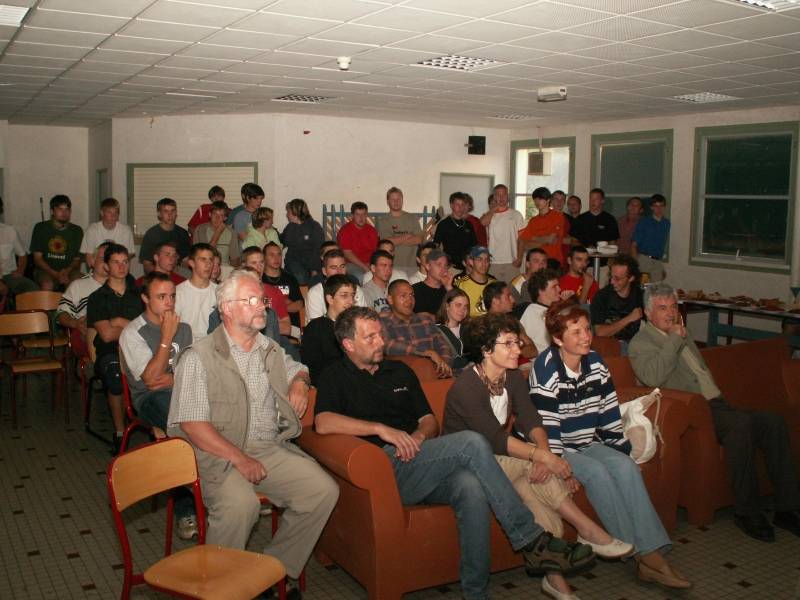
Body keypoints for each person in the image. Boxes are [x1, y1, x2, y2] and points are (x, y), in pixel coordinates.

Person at [315, 306, 596, 600]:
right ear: (348, 344)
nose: (381, 341)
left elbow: (429, 420)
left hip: (421, 459)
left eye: (380, 334)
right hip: (385, 467)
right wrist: (380, 430)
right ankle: (531, 539)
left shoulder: (399, 370)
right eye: (370, 337)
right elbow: (322, 422)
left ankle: (476, 593)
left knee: (470, 487)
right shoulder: (335, 375)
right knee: (472, 442)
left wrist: (418, 437)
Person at [167, 269, 339, 597]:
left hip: (266, 447)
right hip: (216, 452)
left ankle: (271, 573)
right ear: (227, 309)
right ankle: (220, 589)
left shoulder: (269, 348)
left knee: (322, 491)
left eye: (262, 300)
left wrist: (300, 383)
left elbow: (300, 368)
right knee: (240, 506)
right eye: (251, 300)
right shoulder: (199, 356)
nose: (262, 305)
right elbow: (193, 425)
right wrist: (239, 458)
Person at [446, 313, 633, 600]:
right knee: (533, 470)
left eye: (517, 342)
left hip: (502, 462)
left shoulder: (511, 377)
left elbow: (531, 418)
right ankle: (587, 529)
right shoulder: (466, 387)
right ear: (486, 350)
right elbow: (494, 439)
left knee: (539, 499)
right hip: (467, 466)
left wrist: (543, 454)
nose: (518, 350)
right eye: (509, 344)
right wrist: (545, 459)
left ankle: (557, 584)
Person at [530, 300, 690, 590]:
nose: (586, 336)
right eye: (576, 332)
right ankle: (646, 558)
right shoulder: (545, 369)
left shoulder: (595, 362)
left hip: (587, 441)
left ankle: (650, 552)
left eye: (586, 329)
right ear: (557, 339)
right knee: (598, 473)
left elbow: (608, 413)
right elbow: (546, 426)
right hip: (558, 448)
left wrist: (622, 452)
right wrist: (560, 467)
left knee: (625, 467)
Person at [628, 283, 800, 543]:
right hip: (693, 409)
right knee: (740, 426)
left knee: (772, 421)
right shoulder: (641, 342)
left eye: (673, 307)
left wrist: (679, 337)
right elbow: (653, 377)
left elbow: (700, 372)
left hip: (718, 403)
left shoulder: (682, 334)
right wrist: (674, 339)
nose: (670, 313)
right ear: (648, 313)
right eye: (662, 308)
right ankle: (747, 512)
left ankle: (787, 507)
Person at [119, 271, 197, 540]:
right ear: (145, 299)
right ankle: (187, 509)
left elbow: (193, 372)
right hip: (150, 400)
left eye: (172, 296)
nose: (169, 302)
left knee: (216, 413)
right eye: (161, 297)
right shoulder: (133, 332)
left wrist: (175, 378)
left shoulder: (184, 328)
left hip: (182, 392)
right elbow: (151, 380)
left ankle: (217, 485)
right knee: (184, 433)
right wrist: (166, 337)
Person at [86, 243, 143, 452]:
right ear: (106, 266)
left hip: (139, 348)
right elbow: (107, 335)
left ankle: (156, 425)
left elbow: (147, 329)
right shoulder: (97, 298)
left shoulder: (139, 294)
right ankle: (120, 432)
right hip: (109, 351)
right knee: (115, 374)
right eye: (116, 262)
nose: (121, 267)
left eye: (125, 262)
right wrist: (133, 326)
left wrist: (119, 321)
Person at [380, 280, 453, 377]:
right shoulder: (383, 322)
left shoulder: (425, 320)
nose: (409, 300)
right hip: (404, 377)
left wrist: (443, 365)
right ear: (390, 299)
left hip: (435, 374)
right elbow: (387, 345)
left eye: (411, 295)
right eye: (403, 296)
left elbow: (444, 346)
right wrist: (426, 352)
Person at [301, 274, 355, 386]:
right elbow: (313, 368)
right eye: (344, 296)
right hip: (332, 385)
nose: (351, 301)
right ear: (330, 299)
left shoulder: (356, 325)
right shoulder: (316, 327)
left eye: (352, 296)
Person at [57, 242, 110, 349]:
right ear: (92, 261)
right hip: (87, 333)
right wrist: (75, 323)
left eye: (111, 260)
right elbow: (62, 314)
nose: (107, 263)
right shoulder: (78, 285)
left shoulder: (124, 285)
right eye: (102, 259)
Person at [590, 254, 643, 352]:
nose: (612, 282)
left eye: (617, 278)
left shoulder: (639, 295)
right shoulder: (602, 297)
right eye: (611, 277)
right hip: (608, 345)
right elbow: (600, 332)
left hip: (634, 345)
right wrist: (629, 318)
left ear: (631, 278)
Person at [30, 194, 84, 290]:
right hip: (45, 271)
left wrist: (66, 271)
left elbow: (77, 260)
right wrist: (55, 274)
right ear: (52, 211)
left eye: (67, 209)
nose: (64, 212)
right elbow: (37, 259)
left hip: (69, 271)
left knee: (78, 283)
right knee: (47, 284)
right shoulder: (40, 228)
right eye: (60, 209)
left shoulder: (77, 230)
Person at [304, 249, 367, 324]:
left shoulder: (356, 289)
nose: (339, 271)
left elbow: (362, 320)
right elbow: (317, 326)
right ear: (324, 271)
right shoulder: (315, 293)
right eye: (333, 267)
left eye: (342, 266)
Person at [481, 184, 526, 283]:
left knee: (513, 290)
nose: (501, 198)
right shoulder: (488, 215)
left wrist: (519, 258)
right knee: (493, 290)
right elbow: (482, 223)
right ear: (494, 197)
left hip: (512, 261)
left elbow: (522, 239)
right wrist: (493, 209)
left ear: (508, 196)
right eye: (498, 195)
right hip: (492, 262)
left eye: (504, 194)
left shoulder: (516, 215)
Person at [482, 281, 536, 361]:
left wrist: (511, 352)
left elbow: (533, 350)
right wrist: (519, 349)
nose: (513, 300)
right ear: (495, 301)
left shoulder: (512, 321)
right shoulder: (482, 326)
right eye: (508, 296)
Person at [522, 269, 572, 355]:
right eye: (554, 287)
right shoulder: (532, 312)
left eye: (558, 286)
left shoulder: (554, 309)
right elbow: (544, 348)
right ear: (541, 291)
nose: (559, 289)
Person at [175, 243, 217, 343]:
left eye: (211, 260)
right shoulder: (178, 292)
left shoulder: (219, 291)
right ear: (192, 263)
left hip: (212, 345)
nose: (208, 264)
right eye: (203, 259)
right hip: (186, 345)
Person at [375, 186, 422, 273]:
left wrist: (395, 240)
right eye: (393, 199)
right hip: (391, 267)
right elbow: (387, 243)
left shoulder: (412, 218)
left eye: (398, 199)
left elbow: (419, 239)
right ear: (388, 202)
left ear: (402, 200)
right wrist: (407, 236)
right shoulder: (383, 221)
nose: (396, 202)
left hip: (413, 266)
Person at [517, 187, 568, 267]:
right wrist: (544, 241)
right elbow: (523, 243)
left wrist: (533, 238)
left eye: (540, 199)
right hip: (536, 262)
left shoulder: (557, 216)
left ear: (548, 200)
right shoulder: (533, 221)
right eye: (535, 199)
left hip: (552, 261)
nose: (537, 202)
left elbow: (550, 240)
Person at [139, 198, 191, 274]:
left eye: (172, 211)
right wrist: (159, 276)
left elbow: (186, 261)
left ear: (176, 213)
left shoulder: (183, 233)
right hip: (157, 274)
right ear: (159, 214)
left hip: (177, 272)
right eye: (166, 211)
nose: (170, 215)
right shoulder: (151, 235)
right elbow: (147, 265)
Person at [281, 198, 325, 285]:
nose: (287, 215)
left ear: (295, 213)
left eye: (288, 212)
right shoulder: (290, 227)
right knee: (297, 275)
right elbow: (281, 239)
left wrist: (314, 269)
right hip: (293, 262)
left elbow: (318, 249)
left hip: (311, 264)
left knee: (306, 278)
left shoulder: (314, 226)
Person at [80, 197, 135, 266]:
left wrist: (113, 267)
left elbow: (128, 255)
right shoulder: (92, 230)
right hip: (97, 268)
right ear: (102, 213)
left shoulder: (126, 230)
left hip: (118, 268)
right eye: (109, 212)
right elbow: (89, 258)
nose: (113, 216)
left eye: (116, 212)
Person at [263, 241, 304, 328]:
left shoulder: (290, 278)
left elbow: (299, 304)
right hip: (268, 326)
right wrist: (285, 304)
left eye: (279, 254)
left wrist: (277, 306)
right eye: (272, 255)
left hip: (292, 326)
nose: (276, 258)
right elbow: (261, 306)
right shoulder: (260, 280)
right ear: (264, 258)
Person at [631, 194, 671, 283]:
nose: (659, 209)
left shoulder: (666, 223)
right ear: (651, 207)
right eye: (656, 206)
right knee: (643, 287)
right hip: (644, 260)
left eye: (661, 206)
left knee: (657, 288)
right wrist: (635, 264)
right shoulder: (644, 222)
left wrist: (660, 266)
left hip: (657, 261)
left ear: (664, 207)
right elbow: (634, 245)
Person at [434, 191, 478, 270]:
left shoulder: (469, 225)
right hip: (451, 268)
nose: (460, 208)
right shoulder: (444, 224)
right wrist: (443, 262)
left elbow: (474, 246)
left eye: (462, 205)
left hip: (468, 267)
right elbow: (436, 246)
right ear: (451, 205)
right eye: (457, 204)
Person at [337, 201, 378, 283]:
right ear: (352, 216)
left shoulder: (372, 230)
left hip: (369, 263)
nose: (361, 218)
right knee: (360, 277)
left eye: (363, 214)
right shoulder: (345, 231)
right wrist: (365, 267)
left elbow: (375, 251)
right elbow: (347, 254)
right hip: (351, 263)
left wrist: (372, 265)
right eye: (358, 214)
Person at [193, 200, 241, 268]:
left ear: (225, 218)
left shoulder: (232, 232)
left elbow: (234, 259)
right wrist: (218, 232)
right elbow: (205, 254)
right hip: (205, 266)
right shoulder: (201, 229)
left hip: (224, 267)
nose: (217, 218)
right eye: (215, 214)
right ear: (210, 215)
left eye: (221, 215)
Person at [454, 246, 496, 317]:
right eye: (479, 260)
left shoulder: (494, 284)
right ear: (471, 262)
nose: (484, 264)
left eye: (486, 260)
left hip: (491, 322)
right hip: (469, 322)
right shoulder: (460, 284)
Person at [436, 288, 471, 371]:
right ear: (447, 306)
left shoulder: (470, 329)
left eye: (465, 306)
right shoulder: (436, 331)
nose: (462, 310)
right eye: (458, 305)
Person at [0, 221, 37, 297]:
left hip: (8, 275)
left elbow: (22, 255)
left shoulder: (9, 230)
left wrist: (20, 270)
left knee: (32, 289)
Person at [412, 248, 453, 315]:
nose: (443, 269)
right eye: (439, 265)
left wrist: (449, 288)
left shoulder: (450, 288)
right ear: (428, 266)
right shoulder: (416, 290)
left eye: (445, 266)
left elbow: (458, 312)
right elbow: (423, 317)